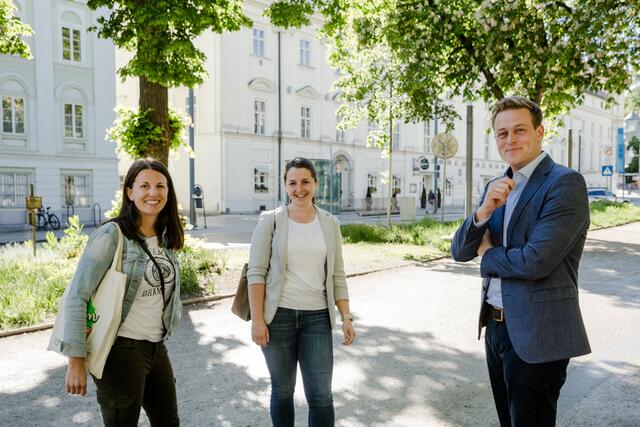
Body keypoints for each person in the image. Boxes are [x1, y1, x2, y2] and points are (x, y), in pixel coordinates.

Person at [451, 96, 591, 427]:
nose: (510, 140)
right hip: (496, 328)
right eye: (502, 133)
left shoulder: (564, 183)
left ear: (539, 131)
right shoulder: (495, 186)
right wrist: (484, 211)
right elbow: (459, 251)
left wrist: (487, 253)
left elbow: (536, 260)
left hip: (538, 333)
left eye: (519, 130)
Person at [48, 158, 184, 426]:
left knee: (169, 422)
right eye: (144, 185)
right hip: (120, 350)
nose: (153, 193)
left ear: (169, 192)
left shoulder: (166, 237)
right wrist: (76, 358)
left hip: (156, 348)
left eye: (160, 186)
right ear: (130, 192)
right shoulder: (112, 234)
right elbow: (78, 294)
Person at [247, 157, 356, 427]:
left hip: (317, 318)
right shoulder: (270, 221)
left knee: (320, 395)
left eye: (305, 181)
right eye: (292, 182)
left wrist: (346, 317)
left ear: (315, 184)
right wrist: (258, 320)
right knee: (282, 391)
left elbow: (337, 274)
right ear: (285, 186)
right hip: (278, 317)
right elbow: (256, 273)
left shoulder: (330, 223)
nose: (299, 188)